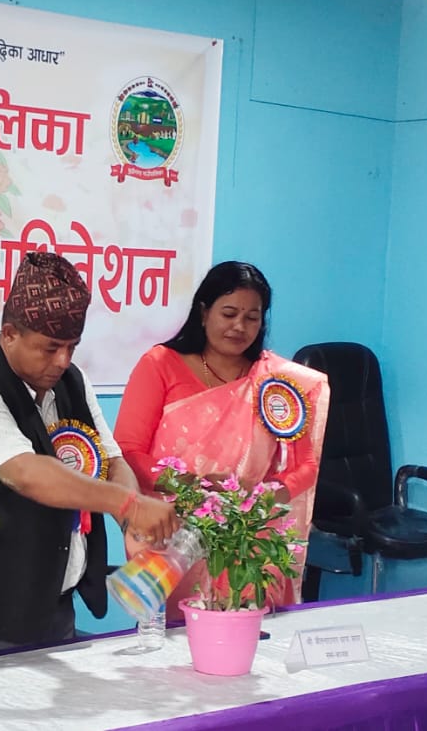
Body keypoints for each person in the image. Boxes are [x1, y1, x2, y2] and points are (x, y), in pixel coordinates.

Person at [0, 251, 180, 663]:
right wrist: (128, 504)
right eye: (50, 348)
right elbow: (28, 473)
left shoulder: (72, 380)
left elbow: (112, 460)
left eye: (72, 347)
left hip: (53, 609)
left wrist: (131, 524)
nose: (63, 361)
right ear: (9, 334)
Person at [114, 261, 330, 619]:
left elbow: (306, 465)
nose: (239, 327)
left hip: (247, 539)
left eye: (252, 317)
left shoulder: (276, 381)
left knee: (247, 639)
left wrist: (260, 496)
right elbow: (128, 452)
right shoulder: (160, 365)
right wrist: (193, 486)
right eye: (229, 314)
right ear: (203, 312)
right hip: (174, 535)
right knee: (180, 640)